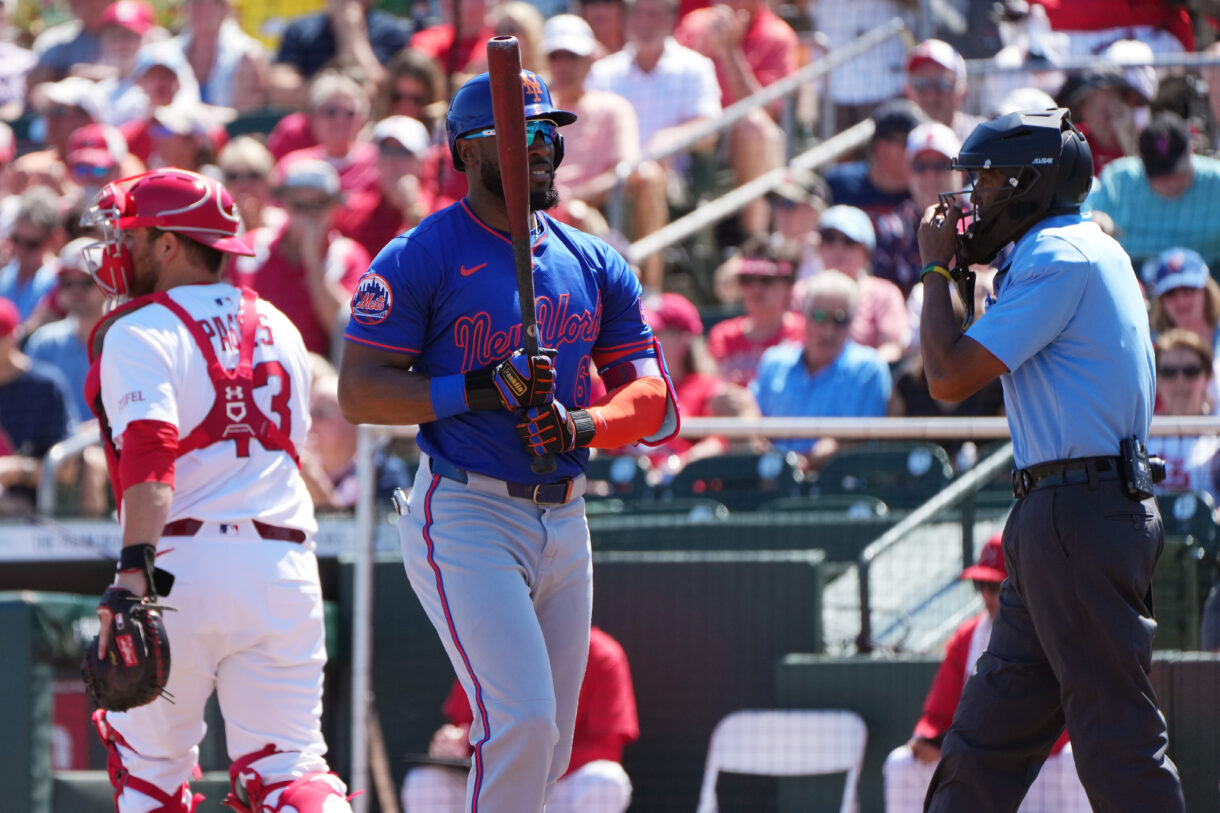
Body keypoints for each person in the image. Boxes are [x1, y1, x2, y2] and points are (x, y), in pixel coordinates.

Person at [336, 70, 676, 812]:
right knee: (519, 718)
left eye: (549, 131)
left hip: (567, 509)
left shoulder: (593, 259)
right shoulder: (422, 252)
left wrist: (579, 422)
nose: (544, 147)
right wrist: (478, 386)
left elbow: (651, 401)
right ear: (468, 152)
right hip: (467, 507)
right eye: (523, 135)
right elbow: (359, 390)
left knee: (548, 743)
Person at [916, 108, 1184, 810]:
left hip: (1079, 508)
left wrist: (936, 267)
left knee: (1115, 734)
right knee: (987, 735)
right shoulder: (1071, 246)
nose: (972, 194)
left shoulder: (1057, 253)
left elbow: (946, 378)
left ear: (1032, 182)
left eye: (989, 177)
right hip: (1063, 511)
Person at [79, 167, 352, 812]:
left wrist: (131, 575)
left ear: (170, 244)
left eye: (133, 234)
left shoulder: (141, 328)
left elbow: (151, 458)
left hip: (179, 566)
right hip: (283, 566)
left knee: (149, 774)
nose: (119, 246)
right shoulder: (282, 326)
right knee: (291, 771)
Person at [883, 534, 1089, 813]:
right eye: (981, 585)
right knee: (902, 764)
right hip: (982, 763)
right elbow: (938, 715)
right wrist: (928, 740)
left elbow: (1075, 718)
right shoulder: (966, 637)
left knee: (1074, 759)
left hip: (1042, 765)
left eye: (996, 585)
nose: (988, 596)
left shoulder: (1056, 632)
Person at [400, 626, 639, 812]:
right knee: (425, 782)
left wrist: (531, 765)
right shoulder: (487, 650)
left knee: (606, 781)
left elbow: (607, 749)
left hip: (557, 789)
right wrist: (452, 742)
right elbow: (463, 727)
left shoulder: (601, 653)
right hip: (493, 787)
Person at [586, 0, 722, 291]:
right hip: (610, 175)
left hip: (674, 180)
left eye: (655, 12)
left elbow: (710, 130)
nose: (645, 21)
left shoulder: (695, 67)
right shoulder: (604, 72)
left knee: (648, 176)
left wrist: (672, 139)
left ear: (672, 18)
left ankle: (649, 289)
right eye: (638, 12)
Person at [751, 269, 890, 472]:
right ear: (804, 316)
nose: (828, 330)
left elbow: (855, 439)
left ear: (851, 322)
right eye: (819, 316)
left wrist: (802, 463)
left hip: (840, 485)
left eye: (839, 320)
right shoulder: (773, 363)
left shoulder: (869, 369)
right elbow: (755, 425)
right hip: (772, 481)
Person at [234, 159, 369, 359]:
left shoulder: (348, 256)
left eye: (318, 205)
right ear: (284, 205)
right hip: (251, 359)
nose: (308, 215)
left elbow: (346, 332)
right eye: (299, 205)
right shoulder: (254, 247)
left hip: (315, 368)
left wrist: (313, 262)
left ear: (334, 207)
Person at [1087, 111, 1220, 270]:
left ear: (1191, 149)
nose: (1169, 182)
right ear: (1140, 160)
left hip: (1205, 282)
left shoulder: (1216, 182)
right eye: (1159, 174)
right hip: (1134, 280)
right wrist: (1095, 224)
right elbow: (1084, 225)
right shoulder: (1116, 182)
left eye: (1175, 172)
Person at [0, 295, 75, 514]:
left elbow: (67, 471)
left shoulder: (45, 387)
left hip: (35, 517)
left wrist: (15, 470)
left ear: (12, 338)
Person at [270, 0, 412, 107]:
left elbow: (381, 89)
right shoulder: (299, 29)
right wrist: (330, 94)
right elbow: (279, 89)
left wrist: (351, 32)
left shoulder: (392, 31)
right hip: (310, 124)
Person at [815, 204, 911, 362]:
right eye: (829, 239)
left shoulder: (885, 293)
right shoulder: (802, 291)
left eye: (848, 241)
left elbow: (893, 346)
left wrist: (857, 374)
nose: (837, 248)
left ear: (866, 252)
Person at [707, 237, 805, 387]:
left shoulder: (804, 334)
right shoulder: (723, 336)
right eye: (747, 279)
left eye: (766, 280)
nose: (755, 289)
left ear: (789, 285)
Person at [333, 115, 433, 259]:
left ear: (422, 162)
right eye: (385, 151)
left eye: (403, 153)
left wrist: (413, 211)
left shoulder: (445, 214)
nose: (392, 161)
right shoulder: (353, 212)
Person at [1145, 329, 1220, 502]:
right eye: (1169, 371)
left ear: (1208, 376)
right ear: (1157, 378)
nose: (1180, 380)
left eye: (1191, 371)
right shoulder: (1139, 432)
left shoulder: (1216, 435)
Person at [823, 98, 925, 222]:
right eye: (908, 143)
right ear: (881, 147)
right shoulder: (838, 185)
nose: (917, 151)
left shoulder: (926, 192)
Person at [902, 38, 983, 143]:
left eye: (942, 84)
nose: (931, 95)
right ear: (907, 92)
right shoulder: (900, 142)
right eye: (920, 85)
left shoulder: (980, 136)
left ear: (962, 92)